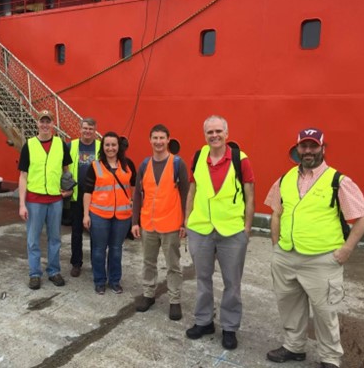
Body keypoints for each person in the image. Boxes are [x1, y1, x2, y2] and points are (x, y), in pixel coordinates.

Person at [264, 128, 364, 368]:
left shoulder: (337, 181)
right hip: (287, 256)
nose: (308, 151)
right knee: (289, 306)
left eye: (313, 146)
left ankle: (330, 358)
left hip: (321, 260)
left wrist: (346, 250)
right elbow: (276, 212)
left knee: (325, 313)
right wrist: (276, 246)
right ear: (297, 148)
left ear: (323, 148)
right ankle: (294, 347)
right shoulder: (286, 178)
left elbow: (363, 216)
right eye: (304, 146)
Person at [184, 115, 255, 350]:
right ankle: (204, 321)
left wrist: (246, 228)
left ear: (226, 133)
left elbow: (250, 194)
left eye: (218, 131)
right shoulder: (198, 156)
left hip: (232, 230)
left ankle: (230, 327)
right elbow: (192, 190)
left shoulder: (240, 159)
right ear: (204, 135)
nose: (214, 136)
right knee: (203, 279)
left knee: (232, 282)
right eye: (209, 132)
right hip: (201, 228)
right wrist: (187, 221)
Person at [132, 124, 189, 321]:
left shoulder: (177, 164)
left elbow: (185, 194)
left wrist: (184, 222)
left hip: (171, 225)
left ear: (168, 140)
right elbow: (138, 195)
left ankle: (175, 300)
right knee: (148, 263)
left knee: (173, 265)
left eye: (161, 138)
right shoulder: (144, 165)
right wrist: (135, 221)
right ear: (150, 140)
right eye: (155, 138)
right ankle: (148, 294)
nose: (158, 142)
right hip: (148, 223)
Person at [18, 110, 73, 290]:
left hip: (55, 200)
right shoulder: (29, 145)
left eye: (48, 122)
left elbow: (66, 169)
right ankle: (34, 274)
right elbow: (23, 176)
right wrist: (21, 204)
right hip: (34, 200)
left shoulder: (60, 144)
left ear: (52, 124)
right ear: (37, 124)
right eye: (42, 121)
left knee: (55, 238)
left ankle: (54, 271)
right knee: (33, 239)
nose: (45, 125)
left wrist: (68, 189)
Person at [83, 132, 136, 295]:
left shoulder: (128, 165)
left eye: (114, 145)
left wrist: (132, 202)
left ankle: (114, 281)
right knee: (99, 249)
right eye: (107, 145)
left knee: (116, 249)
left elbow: (133, 186)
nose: (110, 148)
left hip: (122, 216)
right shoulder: (95, 166)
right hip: (99, 214)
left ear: (118, 146)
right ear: (102, 147)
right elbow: (87, 192)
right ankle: (99, 281)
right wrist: (86, 214)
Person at [68, 118, 100, 277]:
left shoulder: (100, 147)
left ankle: (96, 262)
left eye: (91, 129)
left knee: (96, 231)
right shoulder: (71, 145)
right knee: (77, 231)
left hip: (96, 194)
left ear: (95, 131)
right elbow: (63, 165)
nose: (88, 131)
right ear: (80, 129)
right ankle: (76, 263)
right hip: (77, 194)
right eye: (85, 128)